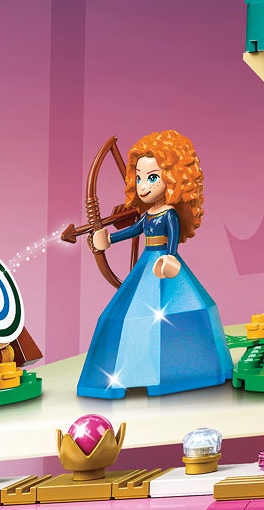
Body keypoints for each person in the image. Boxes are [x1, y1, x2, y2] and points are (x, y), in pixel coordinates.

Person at [68, 130, 234, 399]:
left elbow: (173, 239)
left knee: (179, 311)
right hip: (147, 262)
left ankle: (186, 368)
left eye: (152, 178)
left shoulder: (168, 213)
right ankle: (134, 370)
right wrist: (108, 239)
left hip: (164, 261)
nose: (143, 186)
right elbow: (133, 230)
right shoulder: (148, 215)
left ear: (174, 178)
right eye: (139, 178)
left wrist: (170, 256)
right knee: (130, 312)